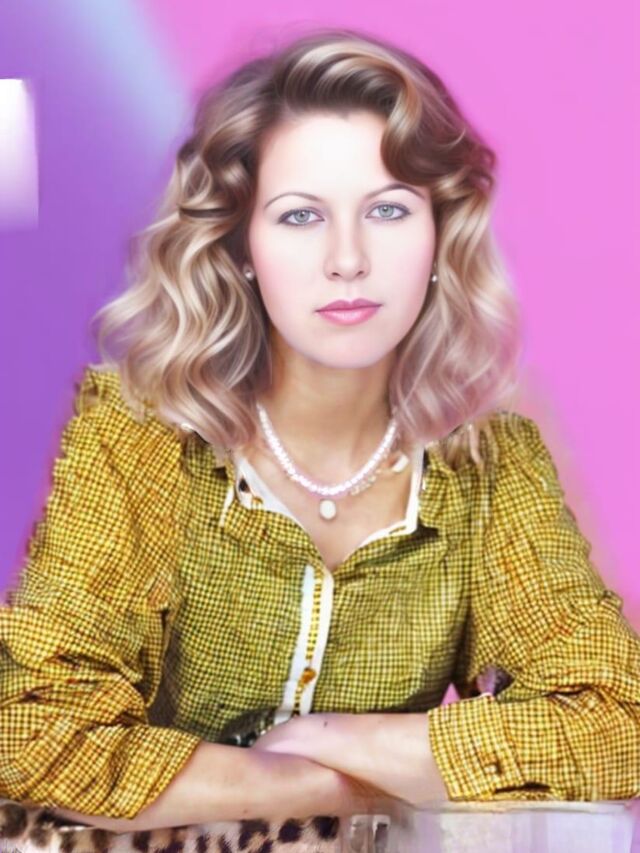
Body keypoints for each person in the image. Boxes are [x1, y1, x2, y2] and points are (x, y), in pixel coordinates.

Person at [1, 26, 638, 838]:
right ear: (240, 245)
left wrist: (343, 734)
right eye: (300, 215)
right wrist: (343, 785)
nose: (347, 259)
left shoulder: (490, 463)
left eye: (388, 210)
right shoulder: (137, 435)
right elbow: (39, 735)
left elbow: (617, 724)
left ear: (441, 236)